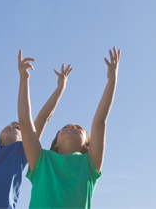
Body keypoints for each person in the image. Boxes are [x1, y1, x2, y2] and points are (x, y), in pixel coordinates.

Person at [0, 52, 72, 208]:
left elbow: (43, 118)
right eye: (9, 125)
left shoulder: (22, 152)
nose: (10, 126)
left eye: (16, 127)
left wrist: (60, 87)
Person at [18, 47, 120, 209]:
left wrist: (112, 80)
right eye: (65, 127)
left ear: (87, 145)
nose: (72, 126)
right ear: (56, 142)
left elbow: (100, 122)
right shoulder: (41, 161)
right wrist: (24, 80)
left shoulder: (89, 165)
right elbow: (28, 121)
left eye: (79, 128)